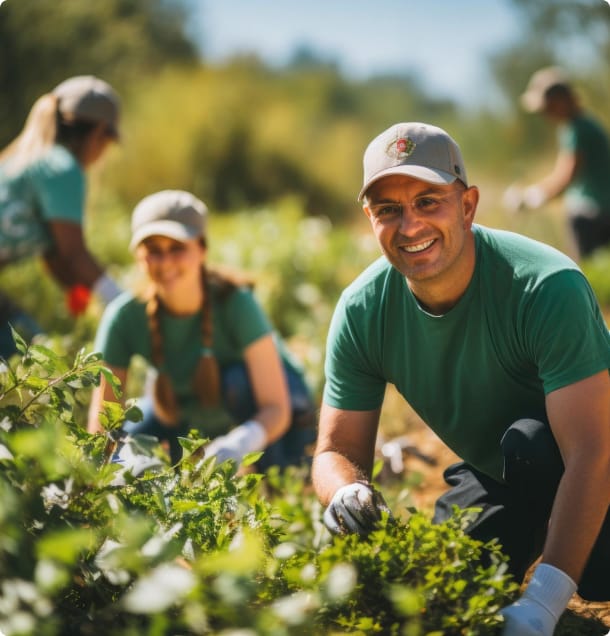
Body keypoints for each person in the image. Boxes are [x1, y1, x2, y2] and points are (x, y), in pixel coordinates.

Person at [312, 122, 610, 636]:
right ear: (370, 219)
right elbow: (334, 451)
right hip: (498, 471)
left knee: (533, 443)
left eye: (429, 201)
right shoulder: (363, 311)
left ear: (468, 205)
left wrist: (545, 601)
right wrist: (344, 492)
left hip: (593, 464)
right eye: (389, 210)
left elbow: (594, 449)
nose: (410, 226)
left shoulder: (545, 286)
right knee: (447, 585)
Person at [87, 189, 316, 472]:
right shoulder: (124, 318)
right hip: (192, 411)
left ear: (202, 249)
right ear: (138, 257)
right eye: (154, 251)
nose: (166, 262)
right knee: (132, 436)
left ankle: (277, 476)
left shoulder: (236, 304)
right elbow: (103, 423)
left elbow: (276, 409)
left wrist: (240, 443)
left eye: (177, 248)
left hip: (278, 412)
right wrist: (112, 465)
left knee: (237, 382)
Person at [0, 75, 123, 357]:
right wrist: (122, 302)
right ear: (99, 133)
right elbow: (74, 254)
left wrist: (88, 303)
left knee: (34, 349)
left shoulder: (29, 159)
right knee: (31, 358)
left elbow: (54, 256)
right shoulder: (62, 167)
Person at [503, 66, 610, 260]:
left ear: (561, 101)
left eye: (548, 106)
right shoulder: (581, 125)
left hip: (591, 217)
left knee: (585, 273)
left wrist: (532, 197)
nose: (545, 113)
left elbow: (566, 177)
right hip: (601, 212)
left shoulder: (578, 130)